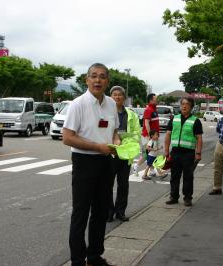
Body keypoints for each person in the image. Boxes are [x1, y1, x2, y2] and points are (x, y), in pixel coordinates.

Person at [62, 63, 119, 266]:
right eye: (93, 76)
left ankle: (94, 257)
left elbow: (114, 131)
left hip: (105, 162)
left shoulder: (112, 103)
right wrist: (97, 147)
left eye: (102, 77)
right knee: (81, 213)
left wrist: (117, 141)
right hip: (84, 162)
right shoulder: (78, 104)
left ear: (107, 81)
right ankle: (77, 261)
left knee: (101, 212)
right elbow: (67, 138)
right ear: (86, 80)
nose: (97, 80)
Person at [107, 86, 141, 223]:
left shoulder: (131, 114)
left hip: (125, 154)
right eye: (114, 95)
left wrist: (122, 141)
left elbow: (136, 133)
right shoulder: (105, 112)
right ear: (110, 97)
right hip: (110, 153)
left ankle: (120, 212)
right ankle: (108, 212)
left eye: (120, 95)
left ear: (124, 98)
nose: (117, 97)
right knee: (107, 185)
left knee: (123, 185)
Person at [164, 97, 203, 206]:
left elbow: (199, 138)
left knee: (188, 176)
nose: (184, 106)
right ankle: (174, 197)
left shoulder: (195, 121)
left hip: (188, 153)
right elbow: (168, 135)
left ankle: (187, 198)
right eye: (183, 104)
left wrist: (198, 153)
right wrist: (166, 151)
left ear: (191, 107)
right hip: (175, 152)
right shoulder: (174, 119)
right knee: (174, 176)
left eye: (187, 104)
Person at [133, 93, 159, 176]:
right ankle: (136, 166)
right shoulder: (148, 110)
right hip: (147, 136)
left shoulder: (154, 109)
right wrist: (150, 136)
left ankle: (151, 170)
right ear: (151, 100)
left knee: (151, 154)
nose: (157, 100)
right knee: (146, 154)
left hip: (153, 136)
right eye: (155, 99)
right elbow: (146, 123)